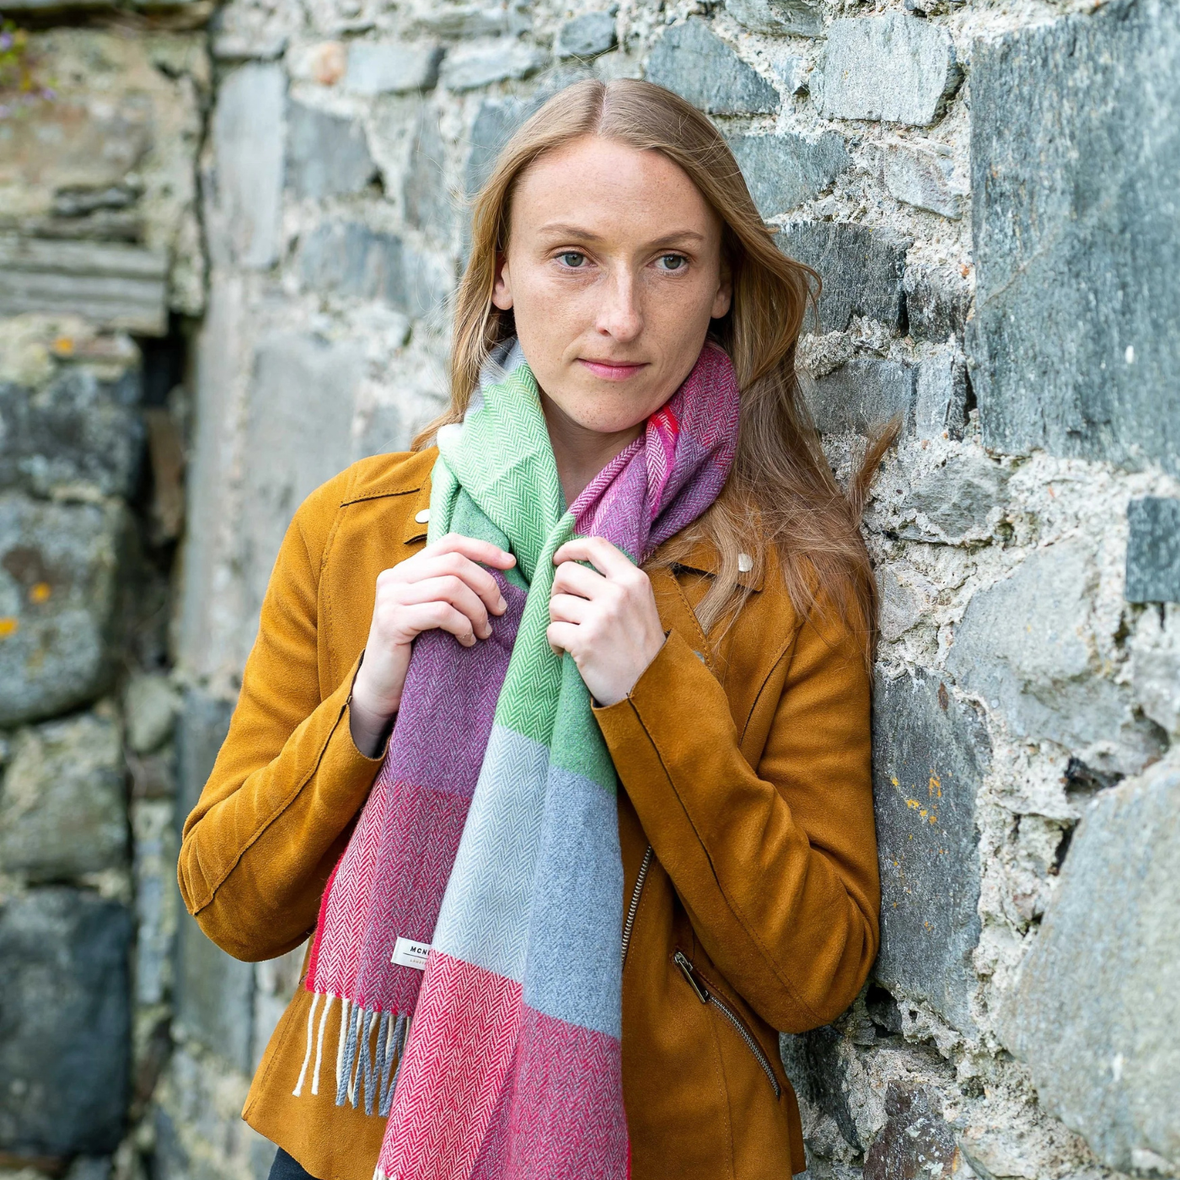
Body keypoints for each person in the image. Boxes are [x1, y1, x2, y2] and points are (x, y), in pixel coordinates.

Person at [178, 77, 884, 1180]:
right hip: (364, 1142)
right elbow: (228, 903)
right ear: (500, 275)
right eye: (572, 258)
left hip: (654, 1150)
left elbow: (813, 970)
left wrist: (653, 697)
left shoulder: (795, 580)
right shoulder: (358, 528)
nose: (619, 316)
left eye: (669, 261)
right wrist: (365, 701)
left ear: (719, 289)